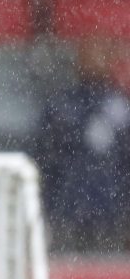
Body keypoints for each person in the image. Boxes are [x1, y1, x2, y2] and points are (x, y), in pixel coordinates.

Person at [32, 35, 130, 252]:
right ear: (77, 61)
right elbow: (45, 160)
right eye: (88, 54)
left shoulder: (121, 106)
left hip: (112, 216)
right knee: (67, 275)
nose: (95, 60)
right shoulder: (60, 105)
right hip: (68, 212)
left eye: (101, 54)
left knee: (110, 277)